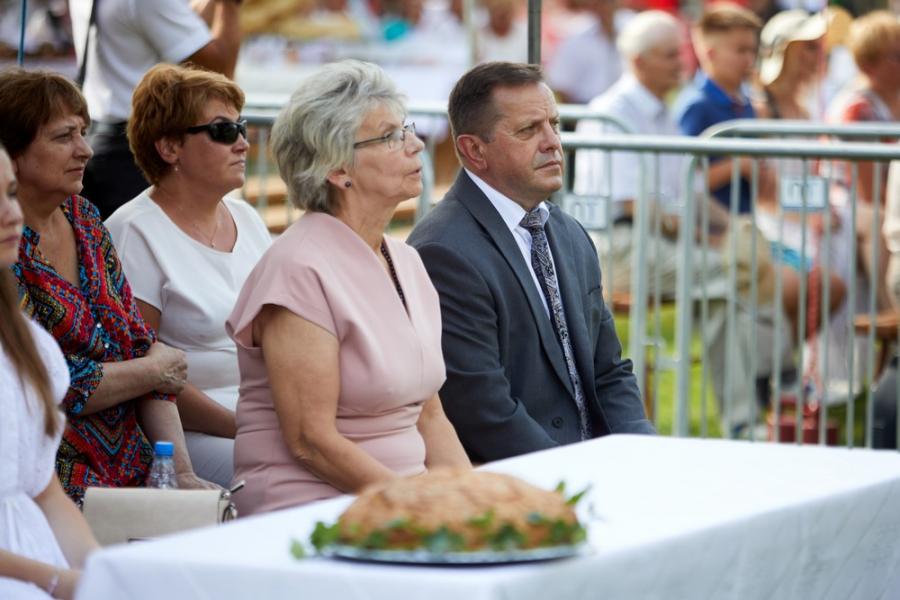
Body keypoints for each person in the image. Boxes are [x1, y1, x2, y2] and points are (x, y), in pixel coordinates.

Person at [226, 60, 470, 516]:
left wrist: (474, 503)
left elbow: (430, 415)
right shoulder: (298, 269)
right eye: (391, 136)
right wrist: (422, 509)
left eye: (407, 129)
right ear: (338, 170)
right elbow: (311, 441)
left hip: (404, 503)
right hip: (311, 506)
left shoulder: (407, 261)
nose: (416, 144)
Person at [407, 62, 654, 464]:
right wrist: (575, 477)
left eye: (554, 124)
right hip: (521, 479)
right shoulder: (444, 251)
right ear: (474, 150)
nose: (553, 142)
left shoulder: (568, 232)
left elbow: (609, 371)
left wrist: (644, 452)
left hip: (596, 467)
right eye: (528, 130)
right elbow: (484, 411)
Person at [0, 68, 216, 505]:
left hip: (136, 461)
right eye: (64, 137)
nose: (85, 149)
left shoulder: (84, 219)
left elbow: (138, 343)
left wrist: (179, 473)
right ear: (12, 154)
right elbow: (49, 383)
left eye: (83, 132)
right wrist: (151, 371)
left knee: (206, 510)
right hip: (54, 474)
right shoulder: (7, 246)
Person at [105, 65, 272, 489]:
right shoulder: (133, 232)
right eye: (223, 130)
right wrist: (247, 428)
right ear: (169, 147)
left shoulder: (247, 218)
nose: (242, 142)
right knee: (299, 475)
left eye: (241, 127)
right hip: (187, 436)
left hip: (266, 418)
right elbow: (143, 374)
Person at [0, 143, 100, 600]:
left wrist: (103, 572)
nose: (11, 214)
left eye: (11, 193)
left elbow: (46, 493)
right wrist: (52, 580)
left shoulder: (25, 340)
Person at [68, 0, 242, 219]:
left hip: (99, 138)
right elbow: (221, 69)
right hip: (135, 153)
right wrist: (230, 5)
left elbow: (168, 21)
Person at [675, 3, 763, 215]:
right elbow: (683, 178)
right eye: (740, 50)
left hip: (743, 219)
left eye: (752, 50)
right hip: (708, 226)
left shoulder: (747, 103)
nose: (749, 59)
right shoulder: (696, 105)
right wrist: (738, 165)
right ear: (711, 54)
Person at [546, 0, 627, 104]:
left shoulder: (632, 26)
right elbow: (561, 84)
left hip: (627, 106)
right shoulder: (575, 35)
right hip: (585, 106)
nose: (606, 6)